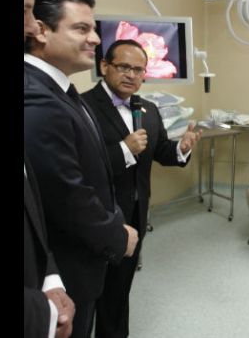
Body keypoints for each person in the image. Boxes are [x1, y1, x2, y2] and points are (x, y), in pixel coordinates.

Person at [24, 0, 139, 338]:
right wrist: (116, 235)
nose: (95, 39)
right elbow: (66, 193)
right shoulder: (36, 97)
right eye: (81, 28)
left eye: (94, 29)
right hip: (64, 265)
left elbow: (92, 170)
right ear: (41, 30)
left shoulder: (62, 90)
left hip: (86, 254)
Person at [81, 39, 202, 338]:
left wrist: (181, 148)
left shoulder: (148, 109)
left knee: (119, 291)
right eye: (124, 67)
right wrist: (124, 149)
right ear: (104, 66)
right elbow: (79, 168)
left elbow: (160, 151)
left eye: (138, 70)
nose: (131, 75)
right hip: (95, 218)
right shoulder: (82, 107)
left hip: (135, 212)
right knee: (86, 296)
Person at [23, 0, 76, 338]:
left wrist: (49, 277)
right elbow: (65, 186)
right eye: (25, 11)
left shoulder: (67, 95)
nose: (32, 27)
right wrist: (42, 315)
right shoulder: (37, 99)